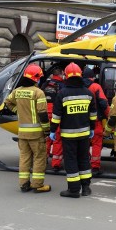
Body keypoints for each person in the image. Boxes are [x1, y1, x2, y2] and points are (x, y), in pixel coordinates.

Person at [50, 62, 97, 198]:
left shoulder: (62, 94)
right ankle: (86, 188)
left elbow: (56, 116)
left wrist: (53, 130)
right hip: (84, 134)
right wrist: (92, 128)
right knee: (84, 159)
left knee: (71, 160)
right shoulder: (88, 93)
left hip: (68, 135)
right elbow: (93, 114)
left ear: (66, 76)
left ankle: (74, 190)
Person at [3, 64, 51, 193]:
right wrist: (47, 130)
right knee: (39, 158)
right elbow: (42, 114)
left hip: (22, 132)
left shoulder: (17, 91)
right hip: (36, 133)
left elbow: (7, 102)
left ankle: (24, 184)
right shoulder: (38, 93)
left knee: (24, 158)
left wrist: (18, 111)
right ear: (36, 78)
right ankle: (37, 185)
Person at [82, 65, 109, 175]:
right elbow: (103, 103)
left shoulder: (78, 87)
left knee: (84, 144)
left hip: (81, 121)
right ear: (92, 77)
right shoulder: (96, 87)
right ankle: (95, 166)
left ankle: (84, 164)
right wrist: (109, 116)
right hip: (95, 121)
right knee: (97, 144)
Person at [41, 67, 65, 171]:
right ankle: (55, 164)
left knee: (47, 138)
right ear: (60, 74)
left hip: (45, 113)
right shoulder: (62, 85)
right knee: (57, 139)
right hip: (56, 114)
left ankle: (43, 160)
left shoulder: (45, 84)